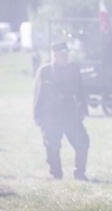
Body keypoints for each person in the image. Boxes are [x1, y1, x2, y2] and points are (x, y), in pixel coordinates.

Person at [33, 42, 90, 180]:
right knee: (52, 144)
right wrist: (37, 115)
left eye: (66, 53)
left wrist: (83, 110)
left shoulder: (73, 69)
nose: (65, 56)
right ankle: (56, 174)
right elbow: (38, 94)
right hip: (50, 115)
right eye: (62, 53)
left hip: (70, 113)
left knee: (83, 141)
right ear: (55, 55)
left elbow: (81, 90)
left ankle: (79, 173)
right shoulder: (45, 71)